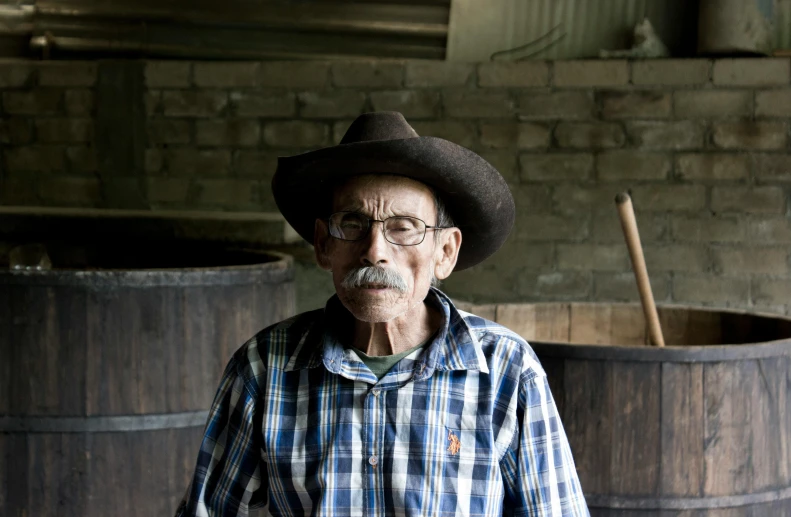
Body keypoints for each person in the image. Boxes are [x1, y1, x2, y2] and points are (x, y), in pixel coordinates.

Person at [175, 111, 589, 516]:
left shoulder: (505, 370)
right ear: (323, 245)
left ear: (445, 252)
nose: (374, 250)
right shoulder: (266, 367)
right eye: (352, 223)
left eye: (404, 226)